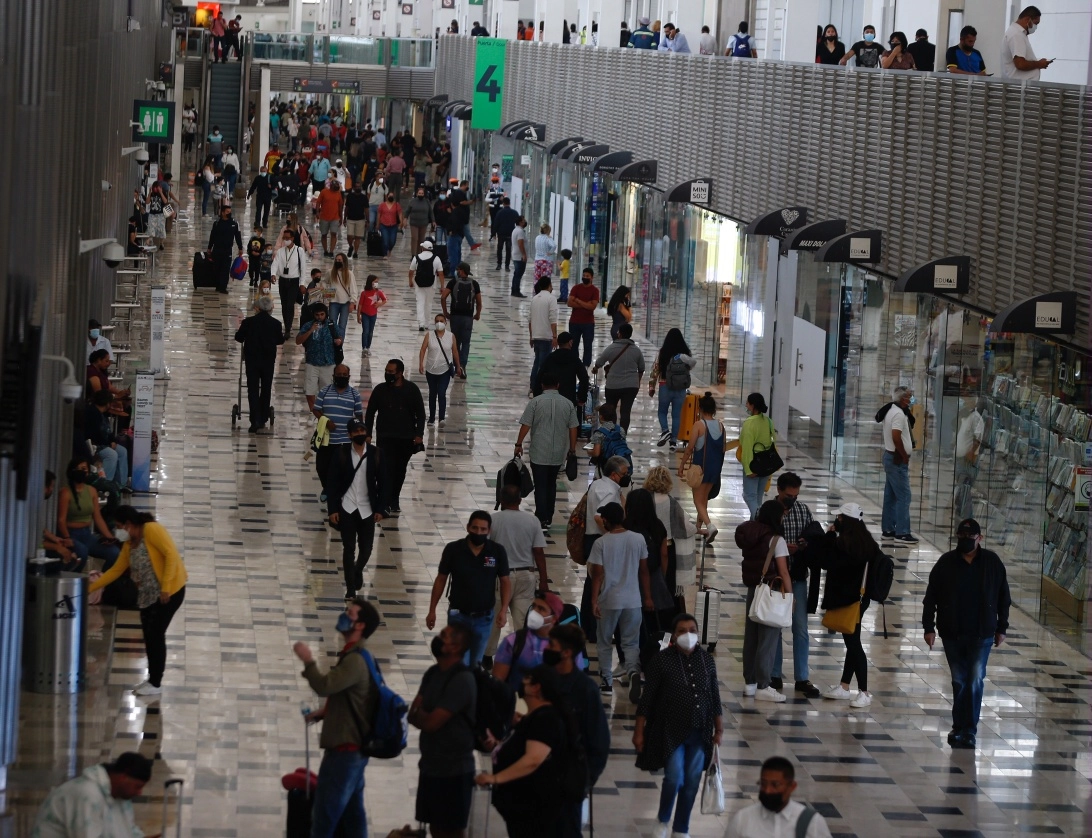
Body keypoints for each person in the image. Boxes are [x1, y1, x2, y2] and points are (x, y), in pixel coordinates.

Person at [292, 598, 380, 838]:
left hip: (345, 752)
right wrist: (325, 712)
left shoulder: (355, 660)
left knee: (323, 818)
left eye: (350, 613)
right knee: (353, 818)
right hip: (354, 750)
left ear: (360, 625)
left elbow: (325, 685)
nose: (344, 616)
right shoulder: (358, 656)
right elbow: (353, 697)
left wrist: (308, 660)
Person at [923, 518, 1010, 749]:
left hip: (981, 634)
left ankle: (969, 730)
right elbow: (931, 596)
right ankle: (958, 726)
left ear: (979, 539)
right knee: (959, 681)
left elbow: (1003, 596)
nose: (964, 541)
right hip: (952, 632)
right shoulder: (946, 563)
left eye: (969, 538)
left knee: (974, 680)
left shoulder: (991, 562)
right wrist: (928, 627)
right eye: (960, 537)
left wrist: (1002, 628)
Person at [635, 614, 724, 838]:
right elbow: (647, 699)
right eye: (682, 631)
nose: (688, 635)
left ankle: (681, 828)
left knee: (692, 781)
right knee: (674, 777)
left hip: (700, 732)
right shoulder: (662, 660)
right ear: (674, 636)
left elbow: (714, 696)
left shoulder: (707, 660)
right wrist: (639, 730)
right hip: (670, 731)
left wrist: (719, 729)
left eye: (692, 630)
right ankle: (663, 819)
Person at [90, 507, 187, 696]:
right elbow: (116, 570)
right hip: (148, 595)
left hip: (170, 592)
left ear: (129, 523)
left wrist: (166, 587)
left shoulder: (151, 529)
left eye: (119, 526)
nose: (118, 531)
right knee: (150, 635)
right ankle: (152, 679)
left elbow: (171, 555)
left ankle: (156, 682)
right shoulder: (129, 544)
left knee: (156, 634)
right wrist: (90, 588)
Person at [475, 665, 573, 837]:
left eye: (527, 679)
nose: (521, 683)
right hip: (523, 809)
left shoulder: (546, 719)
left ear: (536, 688)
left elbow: (533, 759)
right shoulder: (534, 717)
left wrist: (495, 778)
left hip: (536, 809)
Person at [409, 623, 478, 838]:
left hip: (454, 770)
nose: (438, 638)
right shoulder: (432, 673)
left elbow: (430, 723)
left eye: (444, 636)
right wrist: (422, 714)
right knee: (435, 827)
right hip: (431, 765)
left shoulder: (462, 680)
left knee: (452, 831)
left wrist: (422, 713)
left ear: (455, 647)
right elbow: (413, 713)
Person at [426, 511, 512, 667]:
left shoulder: (497, 551)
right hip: (458, 616)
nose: (478, 532)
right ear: (468, 528)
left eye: (483, 529)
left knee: (475, 663)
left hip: (484, 618)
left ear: (489, 531)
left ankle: (471, 688)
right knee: (459, 663)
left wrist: (503, 609)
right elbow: (441, 579)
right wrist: (432, 609)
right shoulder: (453, 549)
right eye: (475, 528)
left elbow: (505, 581)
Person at [547, 622, 609, 836]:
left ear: (566, 652)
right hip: (539, 779)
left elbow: (599, 742)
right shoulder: (541, 680)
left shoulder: (585, 690)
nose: (546, 648)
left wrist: (583, 781)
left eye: (551, 645)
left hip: (567, 783)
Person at [588, 501, 653, 700]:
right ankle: (633, 672)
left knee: (605, 640)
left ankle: (606, 682)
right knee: (631, 643)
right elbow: (644, 571)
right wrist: (648, 597)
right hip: (633, 600)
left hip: (609, 600)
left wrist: (593, 601)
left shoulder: (601, 543)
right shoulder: (638, 539)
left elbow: (597, 576)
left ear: (606, 521)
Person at [815, 503, 876, 709]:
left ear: (846, 520)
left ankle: (864, 691)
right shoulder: (866, 540)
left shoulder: (844, 543)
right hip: (860, 597)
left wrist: (829, 537)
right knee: (853, 640)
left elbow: (824, 561)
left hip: (847, 599)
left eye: (840, 517)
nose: (836, 520)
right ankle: (844, 685)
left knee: (853, 644)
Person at [770, 472, 822, 698]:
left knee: (800, 628)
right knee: (776, 626)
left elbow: (812, 535)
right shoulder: (768, 511)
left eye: (795, 495)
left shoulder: (803, 510)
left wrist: (802, 545)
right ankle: (774, 674)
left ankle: (802, 677)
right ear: (779, 491)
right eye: (789, 495)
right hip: (776, 578)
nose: (792, 499)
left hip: (798, 575)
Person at [736, 500, 793, 702]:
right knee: (768, 639)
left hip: (754, 590)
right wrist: (791, 596)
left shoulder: (753, 535)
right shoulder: (776, 540)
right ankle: (763, 685)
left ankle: (749, 684)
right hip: (771, 592)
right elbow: (783, 571)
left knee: (751, 638)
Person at [31, 752, 155, 838]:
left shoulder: (120, 797)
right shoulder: (87, 794)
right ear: (123, 777)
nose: (139, 793)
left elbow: (127, 830)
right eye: (137, 786)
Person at [515, 369, 579, 529]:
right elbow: (573, 428)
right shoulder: (568, 404)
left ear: (543, 385)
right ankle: (548, 516)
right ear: (558, 385)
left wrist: (518, 444)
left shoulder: (535, 402)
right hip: (558, 451)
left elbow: (526, 425)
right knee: (551, 484)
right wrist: (572, 449)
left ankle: (541, 516)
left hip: (539, 451)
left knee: (540, 484)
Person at [325, 419, 382, 598]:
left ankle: (357, 570)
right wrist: (333, 509)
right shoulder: (341, 453)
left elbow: (384, 482)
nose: (360, 434)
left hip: (367, 508)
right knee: (348, 548)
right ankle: (350, 589)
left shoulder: (376, 454)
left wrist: (380, 508)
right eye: (356, 432)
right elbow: (332, 483)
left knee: (366, 549)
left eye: (362, 431)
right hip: (347, 507)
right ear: (349, 435)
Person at [364, 358, 425, 515]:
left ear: (400, 373)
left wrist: (419, 434)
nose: (388, 374)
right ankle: (384, 501)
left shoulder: (412, 390)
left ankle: (394, 498)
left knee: (400, 470)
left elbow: (421, 413)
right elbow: (370, 412)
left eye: (391, 372)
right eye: (386, 371)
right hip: (385, 437)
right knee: (386, 469)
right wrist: (368, 433)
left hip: (405, 438)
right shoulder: (380, 390)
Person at [725, 756, 834, 838]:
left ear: (791, 786)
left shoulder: (812, 823)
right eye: (763, 784)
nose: (767, 791)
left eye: (775, 785)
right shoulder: (743, 819)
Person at [677, 392, 726, 543]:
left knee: (697, 500)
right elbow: (723, 449)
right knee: (704, 499)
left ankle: (710, 527)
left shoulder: (699, 425)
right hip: (715, 468)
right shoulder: (721, 426)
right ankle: (698, 528)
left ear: (700, 409)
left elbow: (690, 448)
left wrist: (682, 465)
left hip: (701, 468)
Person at [56, 458, 119, 570]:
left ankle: (102, 582)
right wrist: (67, 538)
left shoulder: (91, 491)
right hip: (71, 534)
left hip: (87, 535)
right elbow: (61, 520)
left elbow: (97, 518)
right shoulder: (65, 492)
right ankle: (75, 582)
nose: (81, 471)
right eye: (77, 469)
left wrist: (109, 536)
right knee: (82, 553)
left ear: (88, 472)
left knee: (114, 553)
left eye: (84, 469)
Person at [234, 296, 284, 433]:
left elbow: (238, 338)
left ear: (257, 308)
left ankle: (254, 420)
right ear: (271, 308)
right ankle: (262, 418)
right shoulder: (276, 323)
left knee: (253, 389)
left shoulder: (248, 322)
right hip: (268, 360)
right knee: (266, 388)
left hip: (252, 360)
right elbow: (280, 340)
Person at [491, 591, 560, 687]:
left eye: (541, 609)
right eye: (533, 606)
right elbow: (497, 682)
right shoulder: (513, 641)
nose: (534, 612)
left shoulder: (565, 647)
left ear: (554, 618)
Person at [877, 385, 918, 544]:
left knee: (891, 496)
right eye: (910, 396)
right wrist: (904, 455)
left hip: (891, 457)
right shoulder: (899, 415)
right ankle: (902, 532)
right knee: (904, 496)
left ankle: (888, 530)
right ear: (903, 399)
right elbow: (896, 437)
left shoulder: (891, 410)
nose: (912, 398)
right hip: (896, 459)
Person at [649, 328, 696, 450]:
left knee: (662, 412)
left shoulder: (662, 352)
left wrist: (651, 386)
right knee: (676, 415)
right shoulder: (685, 354)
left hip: (665, 386)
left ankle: (665, 431)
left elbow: (655, 370)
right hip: (680, 389)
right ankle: (673, 442)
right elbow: (691, 366)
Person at [593, 323, 645, 433]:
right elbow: (641, 368)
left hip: (613, 386)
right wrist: (638, 381)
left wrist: (595, 368)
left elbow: (599, 362)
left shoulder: (611, 348)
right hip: (631, 386)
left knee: (611, 411)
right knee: (625, 412)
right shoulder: (636, 350)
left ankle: (611, 433)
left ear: (619, 334)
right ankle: (622, 435)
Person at [295, 303, 343, 413]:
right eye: (317, 315)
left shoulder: (331, 324)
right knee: (309, 390)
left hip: (328, 363)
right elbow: (298, 341)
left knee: (326, 391)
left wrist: (338, 341)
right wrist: (310, 331)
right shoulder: (308, 325)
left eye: (322, 314)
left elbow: (339, 336)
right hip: (312, 362)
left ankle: (325, 412)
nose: (319, 317)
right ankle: (314, 413)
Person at [737, 391, 776, 520]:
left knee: (749, 496)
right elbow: (772, 441)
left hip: (753, 463)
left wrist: (748, 470)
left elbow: (747, 448)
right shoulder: (768, 421)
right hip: (766, 464)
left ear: (753, 406)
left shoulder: (749, 424)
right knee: (758, 498)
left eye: (748, 403)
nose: (746, 406)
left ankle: (760, 520)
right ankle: (755, 526)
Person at [419, 313, 462, 425]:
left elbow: (455, 351)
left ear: (445, 323)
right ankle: (432, 417)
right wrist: (421, 364)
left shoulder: (451, 336)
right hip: (431, 370)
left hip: (445, 370)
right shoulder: (429, 335)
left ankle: (442, 418)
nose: (439, 323)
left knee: (441, 393)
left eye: (441, 321)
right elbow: (423, 349)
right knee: (432, 393)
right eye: (437, 320)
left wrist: (458, 366)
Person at [440, 262, 483, 375]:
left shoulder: (453, 282)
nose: (457, 271)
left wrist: (445, 312)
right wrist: (477, 314)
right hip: (468, 318)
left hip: (455, 316)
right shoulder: (474, 283)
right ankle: (463, 366)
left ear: (461, 271)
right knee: (466, 343)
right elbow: (479, 302)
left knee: (455, 342)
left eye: (458, 269)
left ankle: (456, 366)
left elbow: (443, 297)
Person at [84, 391, 129, 488]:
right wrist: (109, 444)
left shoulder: (102, 414)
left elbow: (108, 431)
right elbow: (95, 435)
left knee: (122, 451)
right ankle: (104, 485)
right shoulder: (92, 414)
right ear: (107, 403)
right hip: (96, 444)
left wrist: (112, 441)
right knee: (111, 455)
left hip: (105, 442)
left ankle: (120, 484)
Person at [271, 227, 309, 338]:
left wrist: (302, 283)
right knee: (283, 304)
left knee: (290, 304)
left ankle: (288, 327)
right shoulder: (281, 251)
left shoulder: (299, 251)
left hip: (294, 281)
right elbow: (275, 263)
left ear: (292, 238)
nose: (286, 240)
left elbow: (303, 268)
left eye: (288, 238)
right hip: (283, 280)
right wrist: (273, 274)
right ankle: (286, 324)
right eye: (284, 238)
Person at [1001, 6, 1050, 80]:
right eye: (1035, 23)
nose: (1035, 27)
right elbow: (1020, 64)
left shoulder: (1017, 33)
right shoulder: (1016, 34)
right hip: (1020, 87)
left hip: (1020, 86)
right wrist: (1039, 64)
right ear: (1027, 19)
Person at [528, 277, 559, 394]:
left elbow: (530, 320)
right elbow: (553, 319)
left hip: (536, 336)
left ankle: (532, 386)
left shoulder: (534, 299)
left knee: (537, 362)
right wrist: (555, 336)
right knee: (543, 365)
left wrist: (531, 336)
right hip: (546, 337)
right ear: (549, 285)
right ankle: (537, 389)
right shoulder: (551, 299)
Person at [566, 266, 599, 366]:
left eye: (587, 276)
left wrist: (578, 300)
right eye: (584, 275)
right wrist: (586, 304)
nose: (585, 277)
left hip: (588, 323)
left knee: (588, 346)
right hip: (574, 322)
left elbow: (592, 306)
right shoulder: (576, 288)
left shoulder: (595, 290)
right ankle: (574, 365)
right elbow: (569, 303)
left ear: (591, 278)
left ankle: (585, 367)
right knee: (573, 345)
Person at [207, 203, 243, 294]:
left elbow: (238, 236)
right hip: (217, 249)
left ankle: (223, 287)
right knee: (217, 268)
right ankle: (218, 285)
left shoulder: (234, 223)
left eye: (230, 212)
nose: (229, 213)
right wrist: (209, 247)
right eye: (227, 212)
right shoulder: (217, 223)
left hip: (227, 250)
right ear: (222, 213)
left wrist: (240, 247)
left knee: (225, 268)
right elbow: (212, 236)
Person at [409, 239, 444, 331]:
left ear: (423, 248)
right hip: (431, 284)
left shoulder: (416, 257)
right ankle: (427, 323)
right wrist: (442, 286)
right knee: (428, 303)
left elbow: (411, 271)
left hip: (419, 283)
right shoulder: (436, 258)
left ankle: (421, 323)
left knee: (420, 302)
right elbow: (441, 273)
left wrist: (410, 281)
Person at [328, 252, 357, 340]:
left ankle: (339, 345)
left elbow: (353, 289)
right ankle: (332, 343)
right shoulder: (330, 272)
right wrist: (329, 292)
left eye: (339, 260)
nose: (337, 262)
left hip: (345, 303)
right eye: (336, 260)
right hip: (333, 302)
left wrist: (352, 302)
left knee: (342, 325)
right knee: (332, 324)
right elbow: (324, 282)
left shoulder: (349, 274)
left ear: (344, 261)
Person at [357, 274, 386, 354]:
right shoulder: (364, 293)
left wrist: (379, 304)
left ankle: (368, 346)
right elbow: (360, 305)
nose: (376, 283)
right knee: (365, 331)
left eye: (377, 282)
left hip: (373, 314)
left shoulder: (378, 292)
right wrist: (358, 315)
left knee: (370, 332)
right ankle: (364, 347)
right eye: (375, 281)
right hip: (365, 314)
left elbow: (384, 300)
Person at [315, 180, 345, 257]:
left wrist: (341, 217)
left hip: (335, 217)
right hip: (324, 217)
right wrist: (317, 212)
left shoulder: (338, 194)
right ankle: (325, 250)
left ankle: (331, 251)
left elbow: (340, 207)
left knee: (334, 234)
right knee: (324, 234)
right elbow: (318, 202)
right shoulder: (324, 192)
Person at [405, 185, 435, 255]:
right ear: (417, 194)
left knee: (421, 240)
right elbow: (407, 211)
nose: (421, 194)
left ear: (424, 194)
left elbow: (431, 212)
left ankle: (419, 253)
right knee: (414, 238)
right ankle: (413, 254)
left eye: (422, 193)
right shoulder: (412, 201)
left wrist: (433, 221)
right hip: (414, 223)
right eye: (419, 193)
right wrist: (405, 219)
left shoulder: (427, 202)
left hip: (424, 223)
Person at [492, 198, 519, 271]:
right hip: (510, 233)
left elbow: (496, 224)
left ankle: (499, 264)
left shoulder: (499, 212)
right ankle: (507, 266)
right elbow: (518, 223)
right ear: (509, 203)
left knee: (499, 249)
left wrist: (493, 233)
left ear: (503, 203)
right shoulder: (514, 212)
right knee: (508, 249)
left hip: (501, 233)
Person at [343, 180, 369, 258]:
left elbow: (366, 209)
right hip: (350, 218)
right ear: (354, 188)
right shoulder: (350, 196)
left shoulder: (364, 197)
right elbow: (346, 208)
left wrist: (367, 220)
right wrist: (344, 218)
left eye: (359, 187)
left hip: (360, 219)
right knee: (349, 235)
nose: (358, 188)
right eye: (356, 187)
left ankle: (356, 252)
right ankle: (351, 246)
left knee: (358, 237)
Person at [376, 190, 403, 257]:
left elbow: (400, 214)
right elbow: (379, 215)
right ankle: (385, 253)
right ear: (387, 196)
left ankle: (390, 249)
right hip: (384, 225)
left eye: (392, 196)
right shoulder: (382, 205)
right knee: (385, 240)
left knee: (392, 241)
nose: (391, 197)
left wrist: (401, 222)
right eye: (389, 195)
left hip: (393, 225)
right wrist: (378, 224)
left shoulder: (397, 205)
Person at [510, 215, 529, 296]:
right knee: (518, 274)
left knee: (516, 274)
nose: (525, 222)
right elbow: (520, 244)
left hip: (516, 255)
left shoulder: (516, 230)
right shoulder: (520, 232)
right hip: (519, 256)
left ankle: (514, 290)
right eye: (523, 220)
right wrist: (524, 254)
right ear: (520, 222)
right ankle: (516, 291)